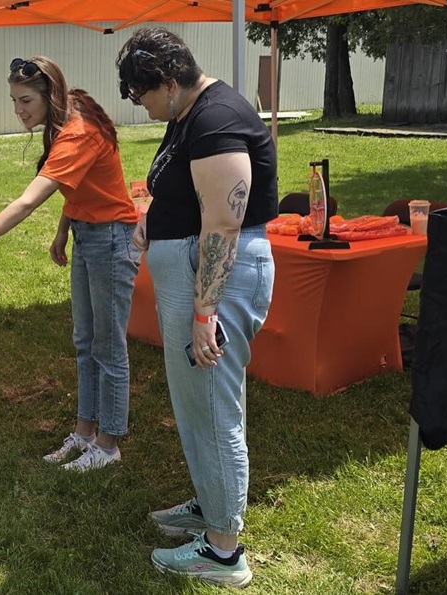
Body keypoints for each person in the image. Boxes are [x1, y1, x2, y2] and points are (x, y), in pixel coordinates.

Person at [116, 27, 277, 588]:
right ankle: (213, 507)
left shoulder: (216, 118)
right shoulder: (189, 117)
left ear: (168, 81)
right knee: (197, 404)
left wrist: (205, 311)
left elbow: (225, 219)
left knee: (213, 409)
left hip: (217, 281)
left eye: (144, 96)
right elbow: (186, 196)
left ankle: (225, 550)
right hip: (190, 271)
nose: (143, 108)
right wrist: (151, 222)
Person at [0, 56, 140, 471]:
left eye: (25, 100)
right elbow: (79, 184)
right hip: (87, 233)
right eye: (14, 100)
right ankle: (84, 431)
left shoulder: (78, 131)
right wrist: (65, 228)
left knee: (108, 346)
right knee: (85, 340)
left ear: (51, 95)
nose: (19, 110)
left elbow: (28, 201)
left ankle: (109, 441)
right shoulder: (67, 114)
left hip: (113, 239)